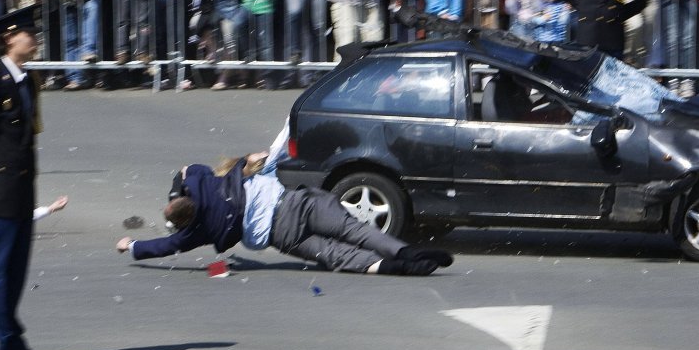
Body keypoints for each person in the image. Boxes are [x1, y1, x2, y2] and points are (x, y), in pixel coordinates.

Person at [116, 124, 453, 276]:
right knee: (356, 231)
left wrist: (132, 246)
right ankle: (406, 251)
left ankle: (397, 267)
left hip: (282, 235)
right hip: (298, 205)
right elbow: (189, 169)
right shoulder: (208, 182)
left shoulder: (196, 232)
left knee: (336, 255)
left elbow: (166, 246)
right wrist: (178, 188)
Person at [0, 6, 48, 350]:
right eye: (29, 33)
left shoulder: (27, 81)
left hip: (20, 192)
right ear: (9, 38)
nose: (34, 39)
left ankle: (9, 342)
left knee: (14, 274)